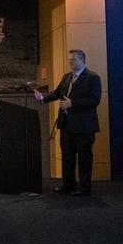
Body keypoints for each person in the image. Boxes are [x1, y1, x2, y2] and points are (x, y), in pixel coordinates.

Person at [34, 48, 102, 196]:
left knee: (84, 157)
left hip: (84, 126)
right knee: (67, 156)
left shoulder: (92, 77)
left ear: (82, 60)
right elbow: (57, 93)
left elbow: (95, 100)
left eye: (73, 59)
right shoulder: (66, 77)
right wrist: (43, 98)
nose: (70, 62)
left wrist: (73, 104)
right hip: (66, 125)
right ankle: (68, 184)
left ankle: (84, 188)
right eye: (69, 60)